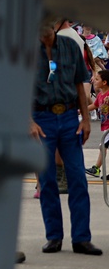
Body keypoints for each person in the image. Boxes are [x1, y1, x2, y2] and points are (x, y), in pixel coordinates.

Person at [31, 16, 101, 256]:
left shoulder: (71, 46)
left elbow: (80, 85)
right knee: (47, 180)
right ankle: (54, 236)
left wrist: (85, 118)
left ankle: (81, 238)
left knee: (78, 179)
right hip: (42, 120)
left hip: (70, 117)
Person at [85, 69, 109, 178]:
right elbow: (94, 106)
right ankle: (97, 169)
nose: (94, 80)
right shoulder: (100, 95)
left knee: (103, 146)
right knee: (103, 147)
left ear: (104, 82)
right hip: (105, 125)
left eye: (97, 79)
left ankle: (96, 169)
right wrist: (81, 110)